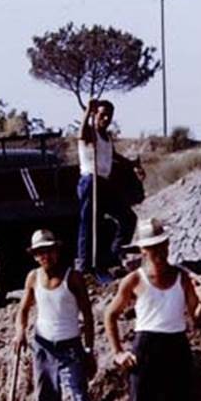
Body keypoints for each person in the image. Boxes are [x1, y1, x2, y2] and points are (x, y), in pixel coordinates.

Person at [104, 218, 201, 401]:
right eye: (152, 248)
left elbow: (195, 319)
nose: (159, 253)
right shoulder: (134, 280)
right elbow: (110, 315)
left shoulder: (181, 277)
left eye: (162, 246)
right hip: (146, 347)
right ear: (143, 251)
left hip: (176, 346)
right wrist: (118, 352)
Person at [14, 229, 109, 401]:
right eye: (40, 252)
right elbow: (22, 310)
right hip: (43, 347)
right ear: (35, 256)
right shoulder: (33, 278)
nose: (46, 256)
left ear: (57, 251)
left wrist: (89, 349)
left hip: (71, 348)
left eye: (49, 250)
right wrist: (20, 332)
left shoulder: (73, 278)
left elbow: (87, 316)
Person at [76, 98, 142, 277]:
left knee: (128, 218)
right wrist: (87, 112)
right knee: (89, 225)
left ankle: (113, 256)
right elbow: (80, 135)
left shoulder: (106, 137)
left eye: (109, 116)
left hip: (104, 183)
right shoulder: (90, 133)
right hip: (90, 181)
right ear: (95, 115)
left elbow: (113, 155)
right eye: (102, 115)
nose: (105, 119)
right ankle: (85, 268)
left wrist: (132, 164)